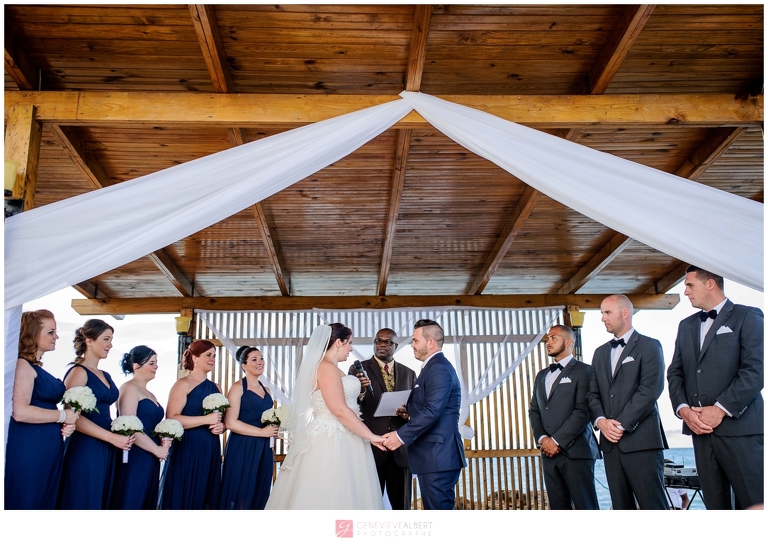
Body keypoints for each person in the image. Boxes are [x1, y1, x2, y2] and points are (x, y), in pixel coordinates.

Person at [667, 266, 764, 510]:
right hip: (699, 432)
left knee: (753, 504)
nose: (686, 292)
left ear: (710, 283)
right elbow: (674, 372)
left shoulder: (747, 316)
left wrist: (720, 409)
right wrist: (683, 410)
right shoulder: (685, 325)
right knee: (715, 508)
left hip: (741, 430)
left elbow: (755, 371)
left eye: (690, 285)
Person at [265, 323, 386, 509]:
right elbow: (338, 409)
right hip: (332, 437)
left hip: (345, 434)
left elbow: (344, 402)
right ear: (338, 342)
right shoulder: (327, 367)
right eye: (349, 343)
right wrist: (370, 435)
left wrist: (360, 391)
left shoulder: (332, 368)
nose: (351, 348)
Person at [586, 295, 668, 510]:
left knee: (653, 506)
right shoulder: (600, 353)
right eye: (601, 313)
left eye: (607, 312)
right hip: (611, 446)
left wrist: (620, 425)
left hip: (642, 442)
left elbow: (650, 390)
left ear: (625, 313)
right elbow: (592, 394)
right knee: (620, 507)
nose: (602, 318)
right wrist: (601, 422)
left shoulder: (650, 346)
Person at [381, 319, 467, 510]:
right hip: (435, 454)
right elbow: (433, 408)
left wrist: (400, 436)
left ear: (430, 343)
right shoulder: (432, 367)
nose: (412, 345)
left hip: (438, 454)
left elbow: (433, 410)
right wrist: (409, 414)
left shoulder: (438, 368)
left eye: (415, 340)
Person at [5, 310, 78, 509]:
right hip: (29, 447)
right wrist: (63, 415)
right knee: (28, 498)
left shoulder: (35, 367)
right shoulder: (22, 365)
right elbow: (20, 411)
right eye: (51, 332)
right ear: (33, 333)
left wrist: (65, 422)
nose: (57, 337)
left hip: (47, 446)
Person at [59, 319, 135, 509]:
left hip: (108, 446)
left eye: (111, 339)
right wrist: (110, 437)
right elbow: (71, 415)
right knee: (84, 497)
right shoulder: (78, 371)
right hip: (86, 446)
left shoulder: (106, 375)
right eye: (106, 339)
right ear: (89, 340)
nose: (110, 345)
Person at [528, 324, 600, 510]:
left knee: (586, 506)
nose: (548, 342)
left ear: (569, 342)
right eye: (547, 339)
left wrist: (557, 441)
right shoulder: (542, 375)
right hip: (548, 454)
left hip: (577, 452)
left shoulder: (585, 371)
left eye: (554, 338)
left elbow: (582, 411)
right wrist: (543, 439)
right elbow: (534, 410)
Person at [348, 328, 417, 510]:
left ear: (395, 345)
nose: (382, 345)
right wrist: (361, 391)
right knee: (368, 504)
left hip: (400, 448)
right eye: (378, 341)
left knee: (402, 506)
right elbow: (349, 403)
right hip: (371, 446)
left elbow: (416, 406)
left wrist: (408, 413)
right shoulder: (357, 369)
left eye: (387, 342)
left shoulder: (409, 373)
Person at [160, 339, 225, 509]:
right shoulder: (182, 384)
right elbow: (172, 418)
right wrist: (205, 420)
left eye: (214, 356)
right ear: (195, 358)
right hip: (187, 446)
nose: (212, 359)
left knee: (206, 493)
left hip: (210, 447)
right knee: (185, 491)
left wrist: (221, 427)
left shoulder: (216, 387)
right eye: (208, 355)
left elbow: (219, 419)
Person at [111, 346, 173, 510]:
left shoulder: (150, 394)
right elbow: (128, 426)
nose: (156, 367)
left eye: (156, 363)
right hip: (135, 453)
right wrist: (157, 450)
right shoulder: (129, 388)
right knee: (132, 499)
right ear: (136, 366)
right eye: (151, 363)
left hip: (150, 454)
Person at [219, 346, 279, 510]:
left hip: (264, 448)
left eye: (261, 358)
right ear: (244, 365)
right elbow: (230, 422)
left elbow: (268, 419)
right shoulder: (238, 388)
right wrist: (262, 432)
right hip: (242, 446)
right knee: (242, 489)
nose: (260, 362)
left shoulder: (267, 391)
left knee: (261, 490)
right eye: (254, 359)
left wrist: (273, 430)